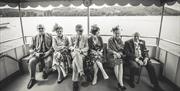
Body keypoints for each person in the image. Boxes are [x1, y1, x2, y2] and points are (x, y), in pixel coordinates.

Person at [27, 24, 53, 89]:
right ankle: (32, 79)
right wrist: (36, 53)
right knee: (31, 62)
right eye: (39, 28)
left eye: (42, 28)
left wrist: (48, 52)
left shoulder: (50, 35)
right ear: (37, 29)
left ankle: (45, 72)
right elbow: (30, 48)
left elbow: (53, 47)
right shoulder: (34, 37)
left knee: (49, 60)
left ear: (44, 29)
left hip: (47, 53)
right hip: (37, 54)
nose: (41, 29)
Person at [70, 24, 89, 91]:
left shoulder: (85, 37)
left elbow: (87, 47)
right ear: (76, 31)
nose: (81, 32)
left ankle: (75, 82)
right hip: (75, 53)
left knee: (74, 62)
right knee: (76, 55)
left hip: (82, 53)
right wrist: (74, 48)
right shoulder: (72, 37)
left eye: (82, 30)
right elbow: (70, 46)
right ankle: (81, 73)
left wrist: (81, 50)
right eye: (80, 31)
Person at [108, 26, 126, 90]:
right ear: (113, 33)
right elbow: (109, 49)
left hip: (119, 56)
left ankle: (120, 83)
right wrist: (115, 53)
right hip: (111, 56)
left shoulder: (120, 40)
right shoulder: (110, 40)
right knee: (117, 64)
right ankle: (121, 83)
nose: (117, 34)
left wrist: (119, 54)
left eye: (118, 33)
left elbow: (122, 49)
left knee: (120, 64)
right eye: (116, 33)